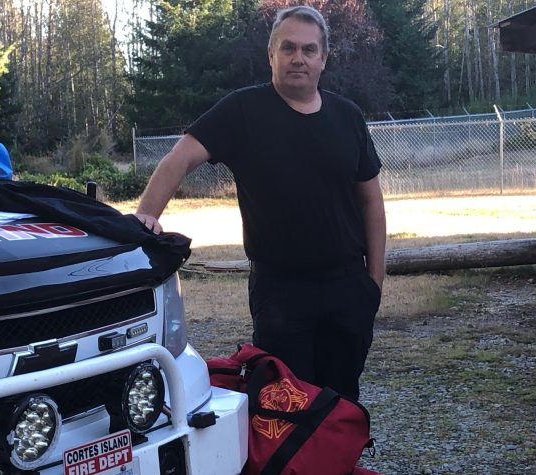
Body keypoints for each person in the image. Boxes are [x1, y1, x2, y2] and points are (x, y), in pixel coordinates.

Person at [134, 5, 385, 401]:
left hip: (348, 288)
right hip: (281, 294)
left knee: (342, 402)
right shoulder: (242, 111)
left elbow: (371, 201)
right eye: (287, 48)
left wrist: (374, 284)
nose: (298, 58)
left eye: (308, 49)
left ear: (324, 58)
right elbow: (179, 157)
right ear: (271, 54)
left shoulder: (348, 117)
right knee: (286, 407)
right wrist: (145, 217)